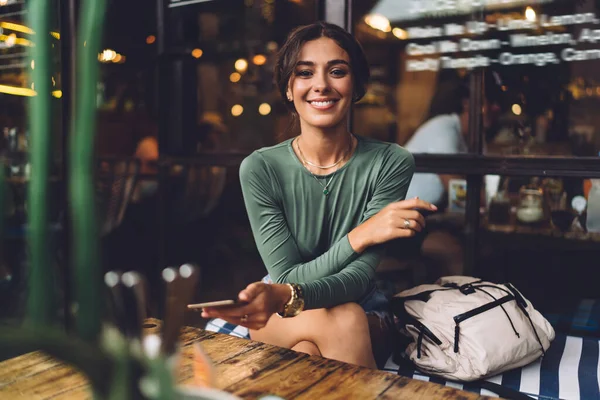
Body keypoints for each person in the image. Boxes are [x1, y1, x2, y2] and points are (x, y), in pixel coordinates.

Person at [201, 22, 436, 369]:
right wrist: (361, 235)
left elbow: (357, 280)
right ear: (288, 88)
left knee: (329, 334)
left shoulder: (391, 162)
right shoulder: (260, 168)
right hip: (280, 306)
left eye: (337, 71)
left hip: (360, 306)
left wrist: (288, 294)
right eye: (304, 73)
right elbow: (283, 276)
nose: (321, 85)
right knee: (340, 324)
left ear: (356, 85)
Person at [404, 80, 470, 207]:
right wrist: (485, 204)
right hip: (402, 213)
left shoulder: (471, 137)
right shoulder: (444, 126)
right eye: (490, 102)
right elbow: (453, 184)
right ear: (466, 104)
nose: (496, 107)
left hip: (424, 212)